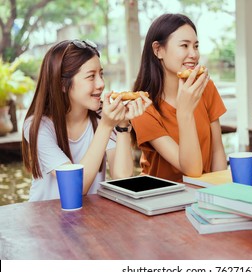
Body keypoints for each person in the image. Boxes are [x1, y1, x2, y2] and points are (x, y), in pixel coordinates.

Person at [22, 39, 151, 201]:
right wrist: (106, 125)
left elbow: (122, 179)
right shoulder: (37, 125)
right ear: (63, 84)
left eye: (101, 74)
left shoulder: (100, 116)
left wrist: (123, 125)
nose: (101, 84)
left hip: (89, 220)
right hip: (46, 219)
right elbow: (75, 187)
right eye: (91, 76)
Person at [131, 13, 227, 182]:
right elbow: (192, 169)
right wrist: (185, 112)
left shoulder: (205, 87)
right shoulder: (142, 105)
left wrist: (220, 191)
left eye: (196, 46)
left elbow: (217, 151)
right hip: (161, 197)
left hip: (206, 193)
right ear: (158, 50)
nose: (194, 54)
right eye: (184, 46)